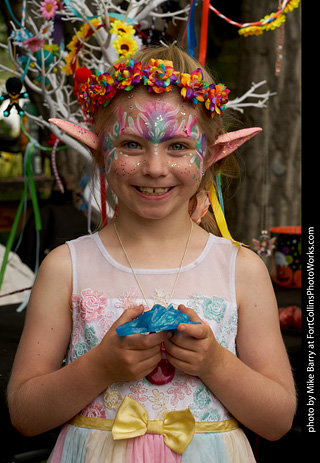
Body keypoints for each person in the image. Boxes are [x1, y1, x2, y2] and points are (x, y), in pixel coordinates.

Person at [7, 45, 296, 462]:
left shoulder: (241, 269)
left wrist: (216, 364)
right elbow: (24, 414)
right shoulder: (66, 267)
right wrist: (100, 367)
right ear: (99, 151)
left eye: (178, 146)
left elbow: (278, 420)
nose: (156, 167)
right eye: (131, 144)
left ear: (213, 153)